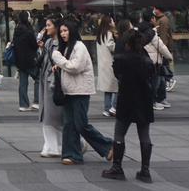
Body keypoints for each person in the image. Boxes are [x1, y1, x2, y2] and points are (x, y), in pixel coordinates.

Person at [51, 19, 113, 165]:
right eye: (61, 31)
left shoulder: (79, 47)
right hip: (68, 91)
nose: (63, 34)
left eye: (65, 31)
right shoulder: (66, 47)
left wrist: (58, 59)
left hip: (80, 91)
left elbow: (75, 67)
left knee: (81, 124)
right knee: (69, 124)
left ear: (72, 31)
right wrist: (59, 66)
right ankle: (71, 155)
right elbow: (67, 66)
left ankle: (108, 146)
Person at [101, 28, 155, 182]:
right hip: (144, 100)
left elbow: (118, 75)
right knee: (144, 134)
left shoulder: (120, 59)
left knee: (119, 133)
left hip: (126, 98)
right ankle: (145, 171)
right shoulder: (147, 60)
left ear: (127, 43)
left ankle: (117, 167)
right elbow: (151, 77)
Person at [38, 17, 63, 158]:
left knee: (53, 116)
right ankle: (51, 146)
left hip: (53, 82)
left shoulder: (59, 44)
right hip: (46, 80)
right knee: (48, 116)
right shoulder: (48, 42)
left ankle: (54, 146)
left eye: (49, 25)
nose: (46, 28)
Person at [13, 10, 39, 112]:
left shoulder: (17, 30)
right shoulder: (29, 31)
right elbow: (34, 45)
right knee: (38, 78)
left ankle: (23, 105)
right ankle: (36, 102)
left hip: (20, 61)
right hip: (30, 60)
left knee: (23, 83)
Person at [95, 14, 117, 117]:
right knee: (116, 87)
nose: (114, 22)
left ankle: (107, 109)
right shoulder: (109, 33)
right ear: (108, 23)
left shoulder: (100, 34)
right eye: (112, 21)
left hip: (103, 64)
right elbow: (111, 46)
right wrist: (119, 45)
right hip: (110, 63)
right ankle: (114, 107)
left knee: (107, 89)